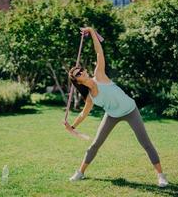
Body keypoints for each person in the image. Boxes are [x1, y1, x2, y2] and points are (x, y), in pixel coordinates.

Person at [64, 27, 168, 187]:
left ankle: (161, 176)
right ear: (77, 81)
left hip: (130, 110)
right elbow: (83, 114)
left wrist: (92, 31)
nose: (82, 72)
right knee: (95, 144)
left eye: (82, 70)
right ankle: (80, 173)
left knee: (145, 143)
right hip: (112, 115)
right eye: (78, 74)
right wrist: (71, 126)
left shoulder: (99, 75)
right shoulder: (89, 97)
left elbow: (99, 52)